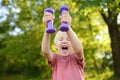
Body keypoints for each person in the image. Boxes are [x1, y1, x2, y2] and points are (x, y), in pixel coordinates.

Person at [41, 9, 84, 80]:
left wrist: (68, 28)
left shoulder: (76, 58)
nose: (64, 41)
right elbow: (45, 51)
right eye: (60, 40)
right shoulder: (55, 59)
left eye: (68, 39)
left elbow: (79, 49)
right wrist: (47, 28)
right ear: (56, 45)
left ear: (73, 44)